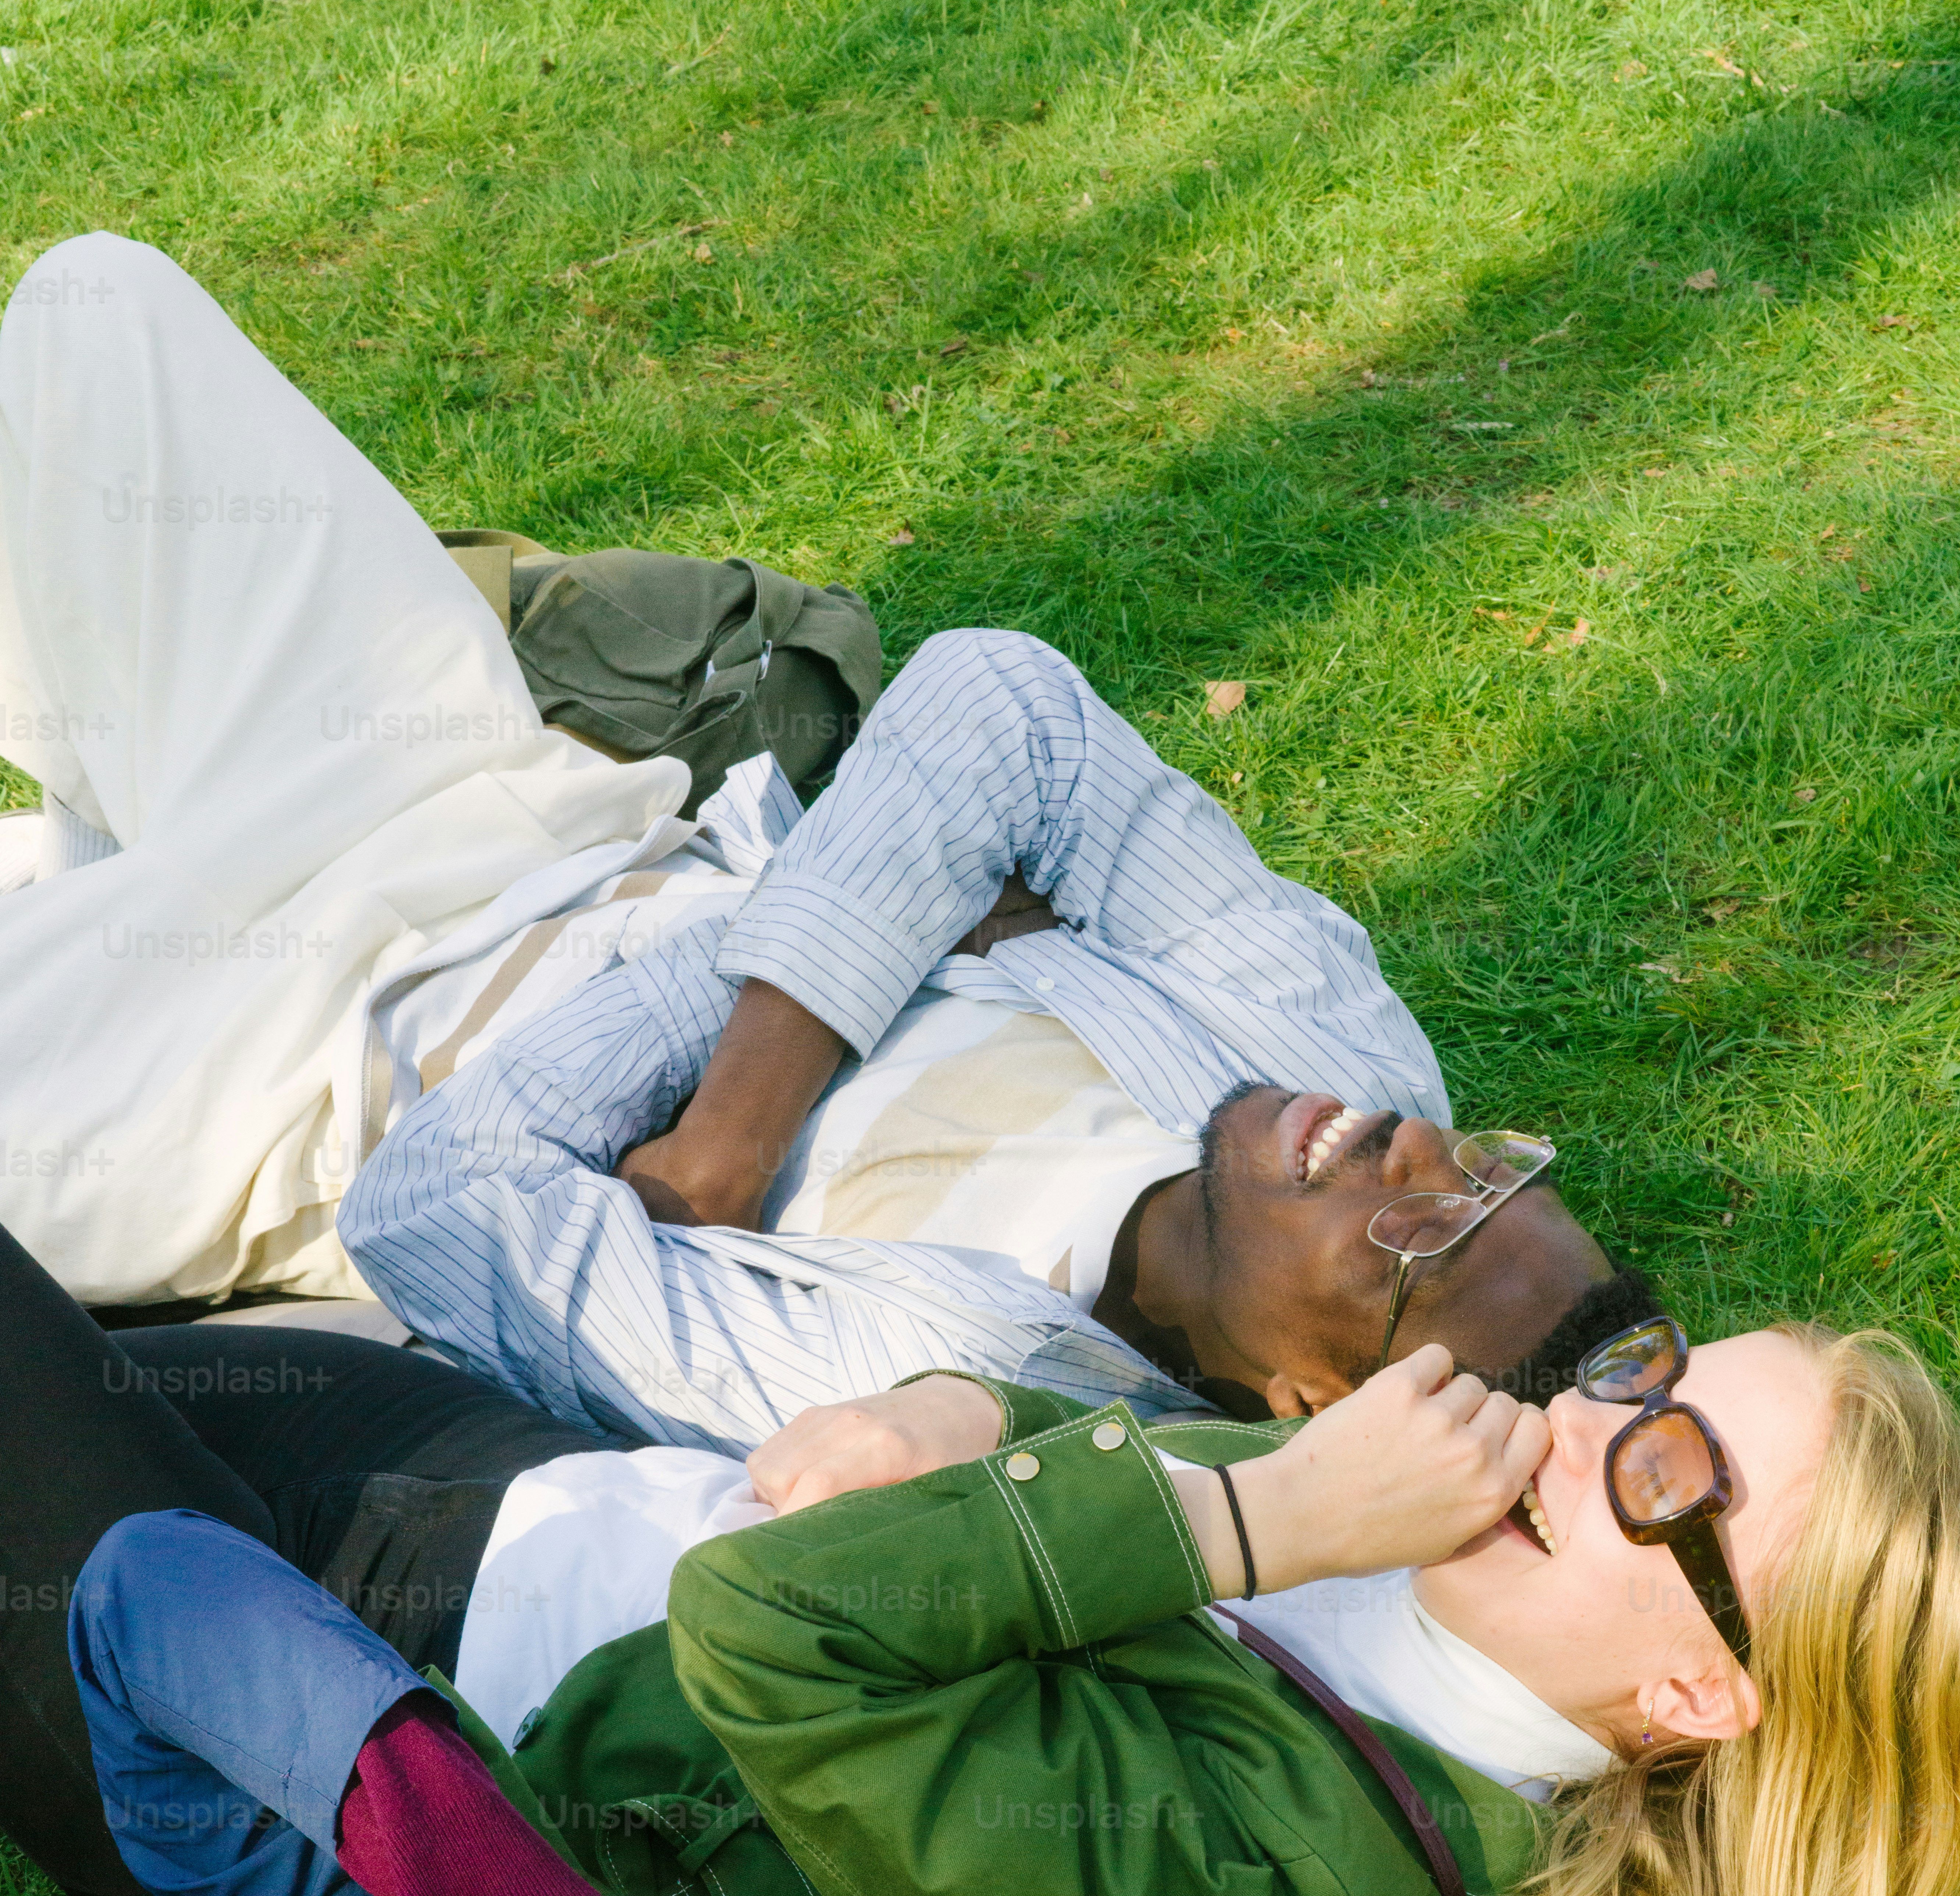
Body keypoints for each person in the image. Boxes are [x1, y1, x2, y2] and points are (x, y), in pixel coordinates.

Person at [0, 1213, 1960, 1896]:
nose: (1594, 1416)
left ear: (1702, 1688)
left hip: (381, 1773)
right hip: (533, 1486)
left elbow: (762, 1637)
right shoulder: (1429, 1598)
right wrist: (952, 1407)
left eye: (1675, 1474)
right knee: (103, 1316)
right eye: (1650, 1376)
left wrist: (1261, 1511)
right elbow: (1074, 1454)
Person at [0, 233, 1647, 1426]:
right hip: (524, 810)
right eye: (1492, 1168)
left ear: (1310, 1402)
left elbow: (439, 1213)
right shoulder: (1338, 1068)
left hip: (306, 1082)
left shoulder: (952, 1398)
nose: (1421, 1155)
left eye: (1422, 1242)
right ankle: (101, 850)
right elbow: (1001, 702)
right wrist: (725, 1131)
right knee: (102, 319)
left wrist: (883, 912)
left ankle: (96, 872)